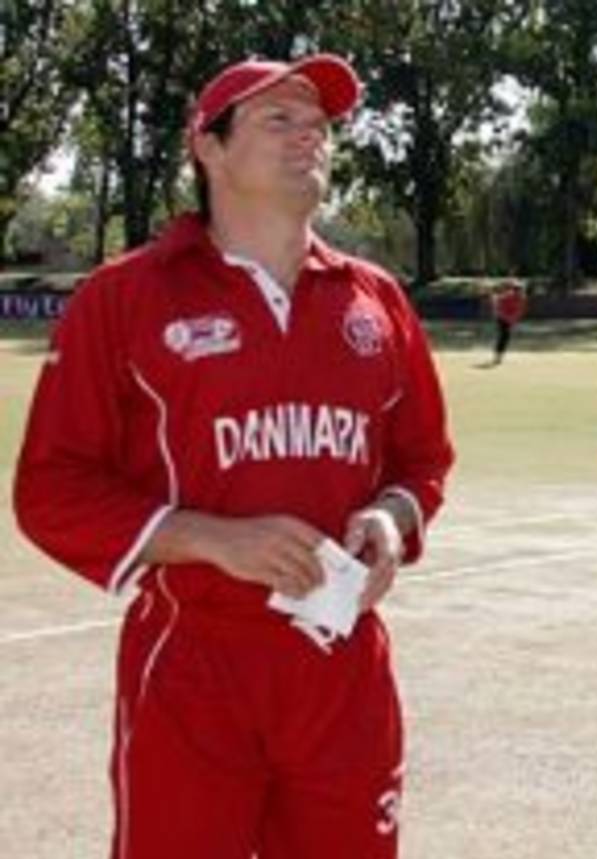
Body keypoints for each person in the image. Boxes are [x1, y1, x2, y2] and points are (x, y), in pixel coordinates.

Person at [13, 54, 454, 859]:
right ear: (207, 148)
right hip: (194, 668)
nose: (309, 138)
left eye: (318, 125)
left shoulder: (377, 300)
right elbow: (51, 486)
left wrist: (393, 517)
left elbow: (423, 459)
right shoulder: (125, 298)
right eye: (277, 120)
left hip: (342, 665)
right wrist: (210, 537)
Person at [487, 279, 527, 366]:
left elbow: (519, 311)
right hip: (501, 317)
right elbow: (498, 308)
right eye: (517, 289)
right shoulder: (506, 297)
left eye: (520, 289)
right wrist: (506, 317)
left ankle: (499, 355)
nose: (519, 291)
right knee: (504, 335)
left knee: (506, 337)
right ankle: (498, 356)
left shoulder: (522, 298)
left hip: (509, 318)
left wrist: (513, 319)